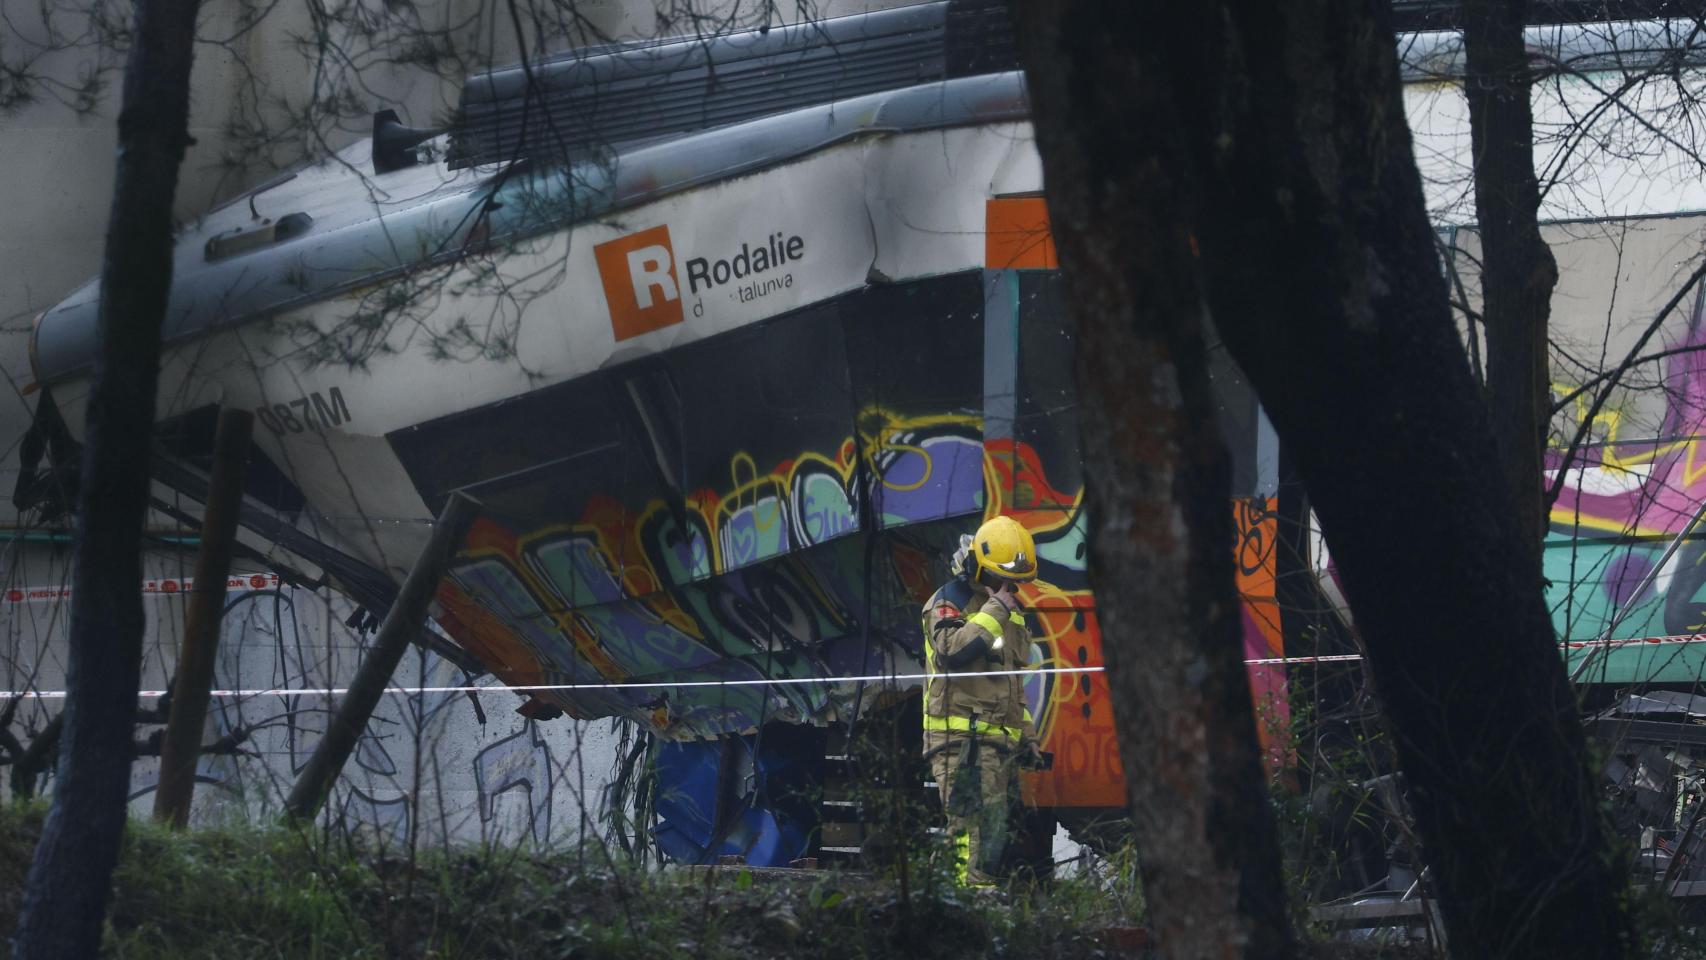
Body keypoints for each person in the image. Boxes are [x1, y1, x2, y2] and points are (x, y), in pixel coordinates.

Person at [920, 514, 1045, 886]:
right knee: (970, 828)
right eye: (1002, 580)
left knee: (990, 832)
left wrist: (1029, 737)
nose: (1010, 588)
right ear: (979, 568)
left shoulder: (1009, 613)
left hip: (997, 743)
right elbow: (950, 651)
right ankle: (965, 901)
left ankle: (943, 896)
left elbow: (1011, 684)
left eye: (1015, 582)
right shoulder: (948, 602)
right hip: (962, 742)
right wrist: (995, 610)